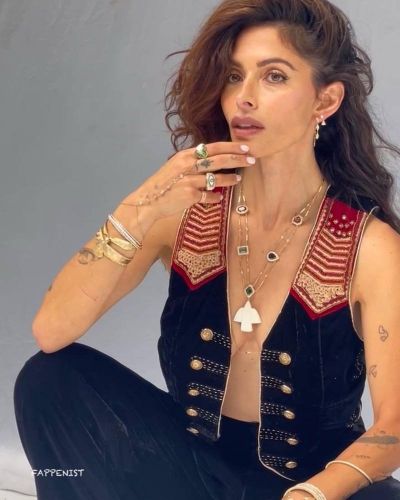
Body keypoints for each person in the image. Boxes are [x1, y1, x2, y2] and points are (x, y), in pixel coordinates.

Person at [13, 0, 400, 499]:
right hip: (190, 469)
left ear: (325, 101)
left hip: (316, 480)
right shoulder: (185, 212)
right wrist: (139, 206)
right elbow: (51, 331)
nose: (244, 97)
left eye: (274, 76)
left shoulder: (369, 247)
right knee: (49, 380)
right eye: (234, 76)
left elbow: (394, 424)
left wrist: (314, 493)